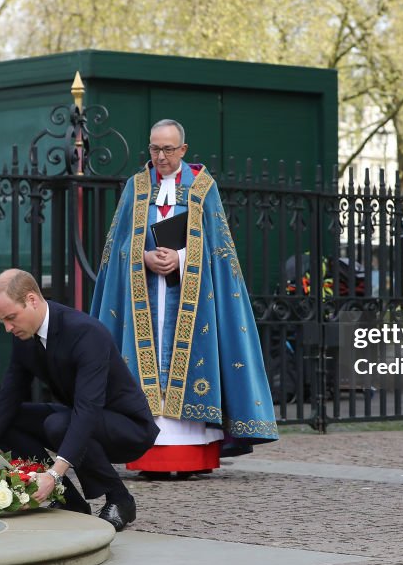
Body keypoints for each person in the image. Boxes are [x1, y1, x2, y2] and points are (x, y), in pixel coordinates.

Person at [90, 119, 278, 478]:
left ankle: (190, 458)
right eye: (155, 148)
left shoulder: (203, 188)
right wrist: (141, 257)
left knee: (193, 367)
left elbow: (219, 251)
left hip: (191, 300)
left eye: (168, 149)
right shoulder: (135, 187)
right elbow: (117, 245)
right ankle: (148, 456)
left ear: (183, 150)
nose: (161, 156)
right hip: (144, 296)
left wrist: (182, 258)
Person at [0, 269, 158, 530]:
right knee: (8, 421)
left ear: (32, 300)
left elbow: (88, 409)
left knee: (58, 424)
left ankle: (120, 499)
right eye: (2, 321)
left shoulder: (85, 332)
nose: (8, 327)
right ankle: (69, 501)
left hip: (128, 427)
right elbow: (6, 398)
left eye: (11, 317)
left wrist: (54, 474)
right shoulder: (24, 335)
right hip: (78, 416)